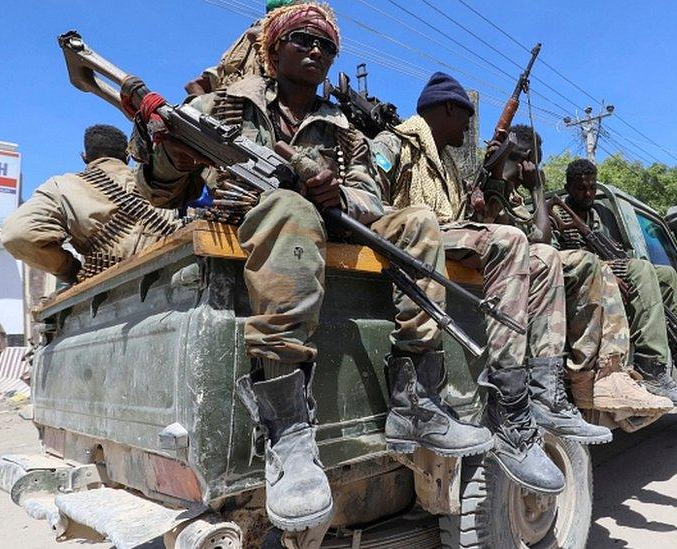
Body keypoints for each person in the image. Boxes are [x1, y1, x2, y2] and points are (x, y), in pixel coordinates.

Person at [134, 5, 493, 532]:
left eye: (326, 46)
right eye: (302, 39)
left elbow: (373, 196)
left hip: (332, 230)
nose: (315, 51)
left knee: (418, 221)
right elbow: (156, 189)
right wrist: (173, 159)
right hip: (254, 230)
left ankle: (416, 399)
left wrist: (340, 193)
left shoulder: (344, 129)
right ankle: (289, 433)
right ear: (273, 49)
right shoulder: (221, 108)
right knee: (288, 205)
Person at [370, 72, 566, 495]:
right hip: (410, 241)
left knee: (546, 256)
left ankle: (538, 394)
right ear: (446, 109)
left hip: (444, 244)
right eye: (465, 118)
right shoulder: (394, 144)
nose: (467, 128)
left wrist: (484, 199)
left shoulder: (449, 166)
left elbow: (468, 225)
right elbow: (367, 204)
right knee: (510, 238)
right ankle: (507, 413)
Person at [499, 125, 673, 427]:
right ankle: (594, 376)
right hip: (526, 278)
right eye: (529, 160)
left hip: (541, 272)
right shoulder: (514, 195)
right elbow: (542, 242)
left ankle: (626, 371)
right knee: (591, 265)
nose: (589, 193)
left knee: (633, 270)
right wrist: (538, 190)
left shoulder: (587, 214)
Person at [553, 159, 677, 406]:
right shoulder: (555, 213)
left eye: (592, 187)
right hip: (580, 285)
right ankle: (652, 367)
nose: (587, 194)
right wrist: (606, 275)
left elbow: (614, 253)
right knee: (641, 268)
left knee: (669, 276)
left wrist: (611, 268)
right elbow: (556, 261)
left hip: (605, 272)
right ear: (568, 187)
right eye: (580, 188)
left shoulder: (599, 215)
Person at [2, 125, 180, 283]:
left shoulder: (62, 186)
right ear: (128, 155)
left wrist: (70, 270)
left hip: (111, 288)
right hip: (178, 270)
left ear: (84, 157)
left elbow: (17, 234)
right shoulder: (154, 178)